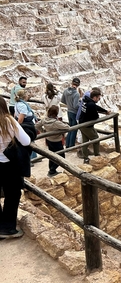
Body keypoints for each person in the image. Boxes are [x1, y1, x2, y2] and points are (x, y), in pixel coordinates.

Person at [0, 96, 31, 238]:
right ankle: (7, 228)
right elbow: (26, 141)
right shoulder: (8, 121)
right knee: (12, 195)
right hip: (8, 165)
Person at [78, 89, 110, 163]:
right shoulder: (91, 104)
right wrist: (100, 113)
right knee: (96, 139)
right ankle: (97, 155)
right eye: (98, 98)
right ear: (95, 97)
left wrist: (105, 111)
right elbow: (96, 116)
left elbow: (95, 107)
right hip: (87, 126)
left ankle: (85, 158)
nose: (99, 99)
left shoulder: (86, 100)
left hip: (81, 124)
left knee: (85, 141)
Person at [38, 105, 69, 177]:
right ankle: (52, 170)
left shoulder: (44, 120)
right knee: (61, 156)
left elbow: (36, 126)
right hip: (57, 141)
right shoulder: (56, 122)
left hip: (49, 140)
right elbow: (67, 127)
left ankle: (52, 170)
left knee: (52, 155)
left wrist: (44, 132)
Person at [14, 89, 41, 164]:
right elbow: (21, 118)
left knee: (31, 140)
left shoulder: (18, 103)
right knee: (29, 140)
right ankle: (29, 159)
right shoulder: (23, 105)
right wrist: (18, 126)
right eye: (27, 94)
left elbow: (15, 115)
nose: (28, 95)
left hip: (26, 124)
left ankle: (34, 157)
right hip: (27, 125)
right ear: (24, 96)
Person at [61, 77, 81, 148]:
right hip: (74, 113)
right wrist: (80, 104)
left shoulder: (66, 91)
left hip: (68, 111)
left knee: (70, 128)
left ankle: (67, 145)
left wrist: (69, 104)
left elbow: (62, 100)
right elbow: (75, 105)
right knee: (74, 129)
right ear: (78, 85)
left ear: (72, 83)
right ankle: (71, 145)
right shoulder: (76, 94)